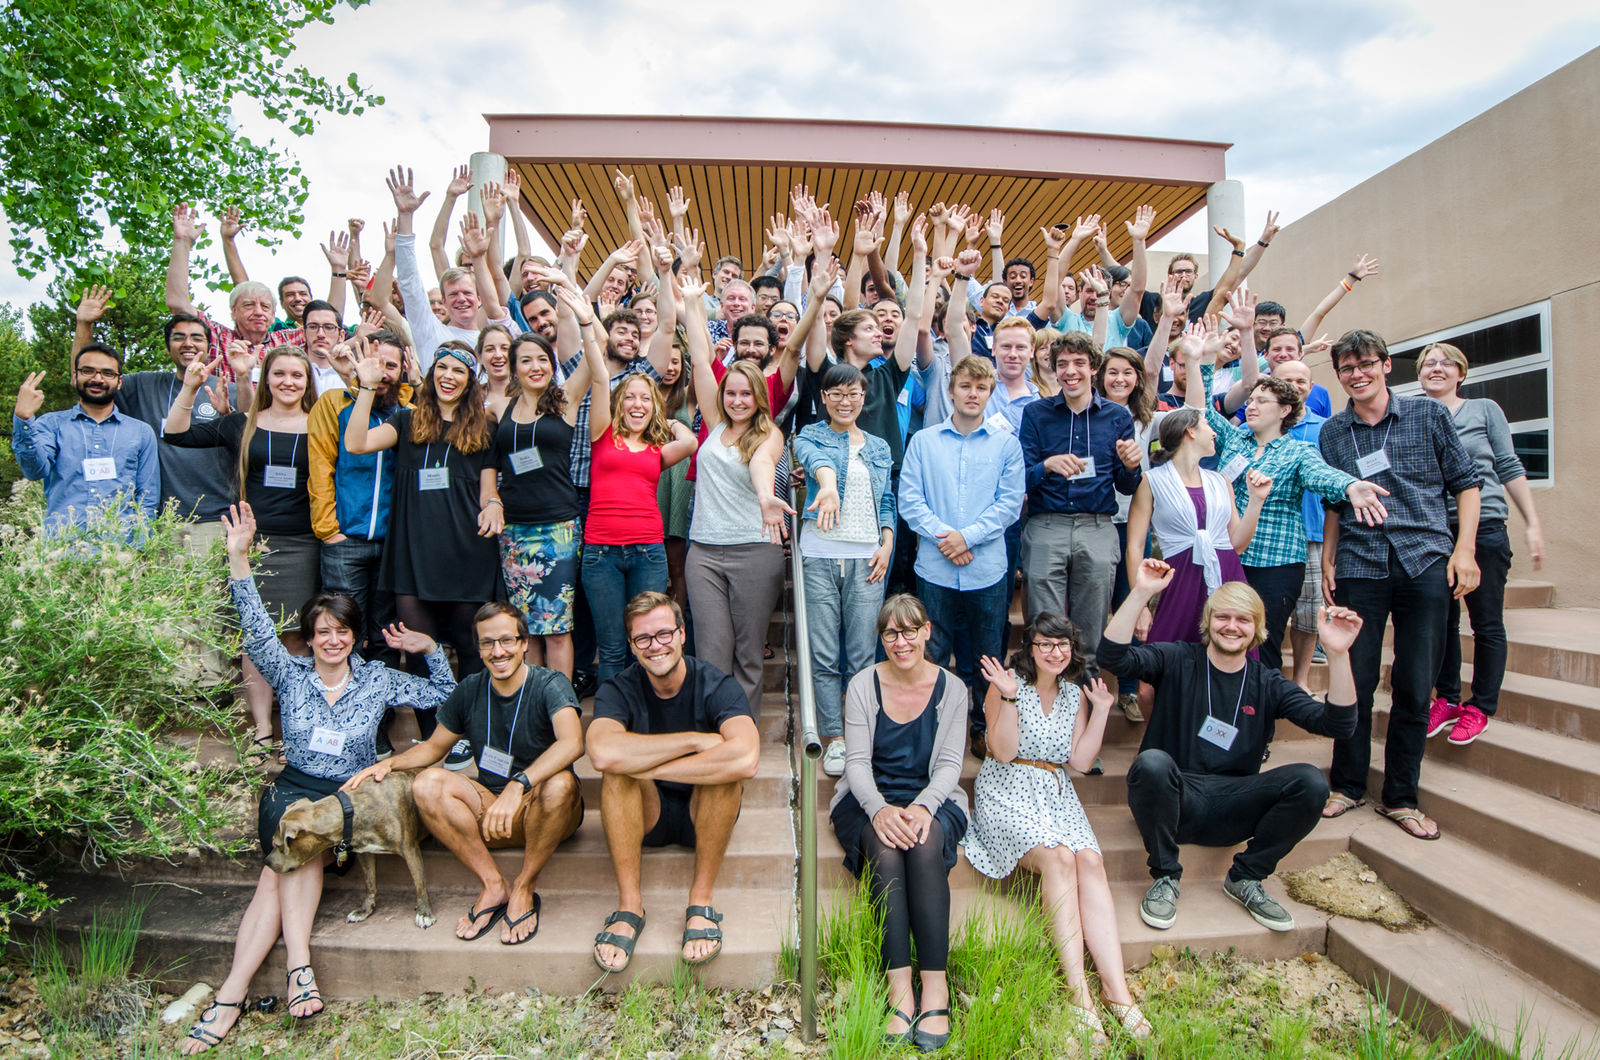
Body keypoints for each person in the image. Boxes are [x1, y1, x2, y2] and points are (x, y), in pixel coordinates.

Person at [180, 502, 455, 1054]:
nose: (333, 639)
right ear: (308, 637)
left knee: (286, 860)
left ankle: (231, 997)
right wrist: (238, 559)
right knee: (293, 846)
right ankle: (295, 969)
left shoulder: (378, 680)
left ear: (356, 636)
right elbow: (257, 629)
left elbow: (445, 697)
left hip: (349, 796)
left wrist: (429, 650)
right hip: (293, 789)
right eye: (322, 631)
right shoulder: (290, 673)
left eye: (342, 631)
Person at [1100, 560, 1363, 935]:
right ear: (1209, 622)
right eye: (1223, 616)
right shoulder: (1177, 658)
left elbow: (1337, 725)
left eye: (1243, 619)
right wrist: (1141, 592)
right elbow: (1113, 658)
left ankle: (1246, 876)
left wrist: (1337, 654)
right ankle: (1165, 877)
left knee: (1311, 782)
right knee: (1152, 764)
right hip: (1174, 802)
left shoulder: (1267, 682)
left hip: (1235, 806)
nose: (1232, 626)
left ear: (1257, 628)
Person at [1318, 331, 1482, 839]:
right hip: (1359, 562)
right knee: (1355, 680)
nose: (1358, 375)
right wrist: (1327, 558)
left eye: (1366, 364)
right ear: (1339, 375)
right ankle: (1347, 784)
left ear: (1386, 365)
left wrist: (1465, 550)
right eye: (1347, 368)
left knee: (1414, 683)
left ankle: (1400, 796)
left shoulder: (1427, 415)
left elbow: (1467, 484)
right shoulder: (1333, 432)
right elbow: (1334, 503)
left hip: (1424, 558)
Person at [344, 603, 584, 946]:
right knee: (427, 784)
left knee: (560, 783)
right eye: (487, 643)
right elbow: (433, 748)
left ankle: (524, 886)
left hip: (544, 810)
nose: (498, 651)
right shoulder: (470, 688)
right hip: (491, 809)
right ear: (479, 648)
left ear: (524, 643)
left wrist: (518, 785)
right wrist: (390, 764)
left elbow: (573, 743)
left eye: (506, 640)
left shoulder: (550, 683)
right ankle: (494, 885)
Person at [964, 616, 1150, 1044]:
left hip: (1055, 792)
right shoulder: (1007, 683)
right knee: (1060, 858)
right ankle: (1078, 994)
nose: (1055, 652)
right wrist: (1009, 698)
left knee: (1091, 861)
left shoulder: (1073, 693)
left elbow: (1080, 761)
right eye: (1045, 644)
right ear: (1030, 648)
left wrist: (1100, 711)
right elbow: (1002, 752)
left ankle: (1116, 991)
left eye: (1062, 644)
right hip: (1007, 789)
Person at [1194, 305, 1390, 677]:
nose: (1251, 407)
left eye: (1261, 402)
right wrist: (1204, 359)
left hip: (1277, 563)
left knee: (1263, 645)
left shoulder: (1297, 451)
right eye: (1250, 401)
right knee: (1222, 638)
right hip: (1229, 554)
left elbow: (1322, 475)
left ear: (1285, 410)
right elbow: (1202, 409)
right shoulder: (1235, 440)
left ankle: (1258, 711)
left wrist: (1350, 485)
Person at [587, 591, 761, 971]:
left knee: (726, 774)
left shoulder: (717, 685)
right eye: (643, 638)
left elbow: (746, 758)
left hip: (705, 814)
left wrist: (647, 765)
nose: (655, 645)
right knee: (616, 773)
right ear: (631, 645)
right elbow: (601, 752)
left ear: (682, 634)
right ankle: (629, 906)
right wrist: (694, 742)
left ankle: (700, 901)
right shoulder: (618, 688)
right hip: (646, 814)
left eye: (664, 633)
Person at [344, 343, 503, 755]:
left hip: (467, 553)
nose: (449, 376)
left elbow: (488, 490)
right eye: (442, 368)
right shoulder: (406, 420)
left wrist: (494, 505)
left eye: (459, 371)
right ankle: (434, 739)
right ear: (431, 374)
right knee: (416, 650)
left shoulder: (484, 429)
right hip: (413, 554)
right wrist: (366, 387)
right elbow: (356, 443)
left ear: (470, 381)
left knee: (470, 650)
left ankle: (469, 736)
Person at [827, 595, 968, 1052]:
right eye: (891, 633)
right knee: (887, 852)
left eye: (909, 631)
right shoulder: (863, 685)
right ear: (882, 638)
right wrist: (880, 809)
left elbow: (949, 765)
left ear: (927, 631)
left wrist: (923, 808)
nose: (901, 642)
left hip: (935, 798)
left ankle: (936, 988)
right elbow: (856, 764)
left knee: (924, 847)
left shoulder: (953, 689)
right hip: (868, 799)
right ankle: (900, 990)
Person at [166, 346, 320, 757]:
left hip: (306, 543)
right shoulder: (242, 423)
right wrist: (189, 388)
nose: (288, 382)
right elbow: (176, 433)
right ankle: (262, 729)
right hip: (254, 542)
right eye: (279, 373)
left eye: (297, 375)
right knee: (257, 636)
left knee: (296, 637)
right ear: (265, 378)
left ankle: (296, 727)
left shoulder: (323, 423)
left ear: (308, 382)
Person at [1416, 342, 1544, 746]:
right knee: (1442, 621)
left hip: (1484, 525)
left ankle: (1481, 706)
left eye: (1446, 363)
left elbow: (1507, 464)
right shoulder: (1415, 414)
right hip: (1434, 529)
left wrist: (1532, 523)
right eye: (1428, 363)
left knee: (1486, 621)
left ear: (1461, 372)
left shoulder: (1484, 410)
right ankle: (1447, 699)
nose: (1436, 368)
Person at [898, 354, 1025, 754]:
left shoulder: (1007, 445)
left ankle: (983, 725)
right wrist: (947, 540)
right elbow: (910, 500)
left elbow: (1009, 505)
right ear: (951, 391)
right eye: (965, 386)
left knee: (988, 653)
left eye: (981, 388)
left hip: (986, 568)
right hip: (935, 567)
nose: (973, 394)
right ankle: (932, 727)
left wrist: (966, 539)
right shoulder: (924, 442)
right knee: (933, 649)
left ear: (990, 393)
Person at [683, 294, 793, 716]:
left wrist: (766, 497)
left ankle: (743, 729)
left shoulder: (769, 433)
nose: (738, 400)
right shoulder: (714, 424)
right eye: (731, 393)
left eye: (747, 394)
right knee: (712, 652)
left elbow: (763, 464)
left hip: (754, 550)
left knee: (748, 654)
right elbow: (699, 359)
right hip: (705, 552)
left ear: (759, 398)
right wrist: (692, 304)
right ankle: (715, 727)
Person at [70, 290, 251, 536]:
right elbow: (85, 378)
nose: (188, 343)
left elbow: (253, 434)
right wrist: (84, 325)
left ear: (209, 348)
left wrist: (242, 380)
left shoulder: (227, 390)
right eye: (179, 337)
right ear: (167, 348)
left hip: (214, 518)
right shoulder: (144, 386)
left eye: (197, 338)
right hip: (157, 519)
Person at [1017, 331, 1143, 678]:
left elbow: (1126, 485)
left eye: (1079, 363)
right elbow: (1019, 478)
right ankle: (1045, 692)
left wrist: (1131, 467)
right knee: (1045, 624)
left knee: (1091, 624)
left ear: (1094, 368)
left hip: (1097, 525)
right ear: (1054, 370)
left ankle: (1084, 693)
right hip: (1047, 524)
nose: (1070, 371)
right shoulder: (1036, 414)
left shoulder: (1117, 417)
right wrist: (1047, 466)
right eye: (1062, 364)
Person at [792, 363, 897, 776]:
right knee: (823, 653)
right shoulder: (810, 435)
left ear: (863, 397)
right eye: (836, 393)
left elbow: (885, 500)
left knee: (862, 654)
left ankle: (859, 734)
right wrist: (828, 485)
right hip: (820, 555)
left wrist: (887, 543)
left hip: (868, 558)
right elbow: (816, 460)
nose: (845, 401)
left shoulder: (879, 447)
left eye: (853, 393)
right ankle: (834, 737)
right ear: (823, 397)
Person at [494, 317, 608, 681]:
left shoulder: (565, 399)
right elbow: (485, 459)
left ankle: (561, 700)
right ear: (514, 368)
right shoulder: (499, 405)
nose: (536, 366)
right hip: (513, 530)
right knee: (526, 626)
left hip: (557, 528)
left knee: (557, 626)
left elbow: (597, 352)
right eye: (526, 360)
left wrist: (584, 316)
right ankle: (533, 699)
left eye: (543, 359)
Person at [584, 371, 698, 682]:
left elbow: (690, 442)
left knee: (646, 643)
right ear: (618, 403)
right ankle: (612, 711)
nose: (638, 404)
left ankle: (644, 708)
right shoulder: (602, 434)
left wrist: (667, 421)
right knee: (611, 648)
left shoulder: (656, 448)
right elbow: (599, 380)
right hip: (601, 555)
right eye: (630, 397)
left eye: (646, 399)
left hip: (648, 553)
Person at [1124, 406, 1269, 651]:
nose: (1214, 433)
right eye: (1207, 426)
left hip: (1227, 572)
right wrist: (1140, 606)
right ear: (1190, 431)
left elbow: (1237, 545)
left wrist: (1257, 501)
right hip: (1180, 577)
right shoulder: (1151, 481)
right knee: (1167, 654)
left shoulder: (1221, 481)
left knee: (1232, 649)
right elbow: (1135, 547)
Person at [308, 332, 410, 667]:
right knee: (343, 630)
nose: (381, 373)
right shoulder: (334, 403)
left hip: (392, 544)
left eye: (390, 366)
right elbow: (320, 468)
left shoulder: (410, 412)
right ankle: (344, 697)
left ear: (404, 368)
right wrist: (329, 530)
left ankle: (380, 698)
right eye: (373, 364)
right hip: (345, 540)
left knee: (386, 633)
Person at [11, 344, 159, 534]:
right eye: (88, 371)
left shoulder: (141, 432)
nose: (97, 379)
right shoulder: (51, 424)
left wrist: (141, 543)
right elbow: (34, 472)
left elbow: (147, 497)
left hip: (120, 545)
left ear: (119, 381)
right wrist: (23, 420)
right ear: (75, 376)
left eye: (107, 373)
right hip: (62, 545)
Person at [164, 204, 305, 380]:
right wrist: (182, 243)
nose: (258, 312)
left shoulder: (287, 342)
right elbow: (178, 304)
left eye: (265, 307)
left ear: (273, 315)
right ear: (234, 311)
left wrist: (336, 270)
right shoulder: (217, 337)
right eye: (249, 305)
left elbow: (328, 321)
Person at [477, 323, 515, 420]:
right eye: (490, 349)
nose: (498, 355)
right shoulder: (472, 397)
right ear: (479, 357)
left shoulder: (527, 394)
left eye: (504, 348)